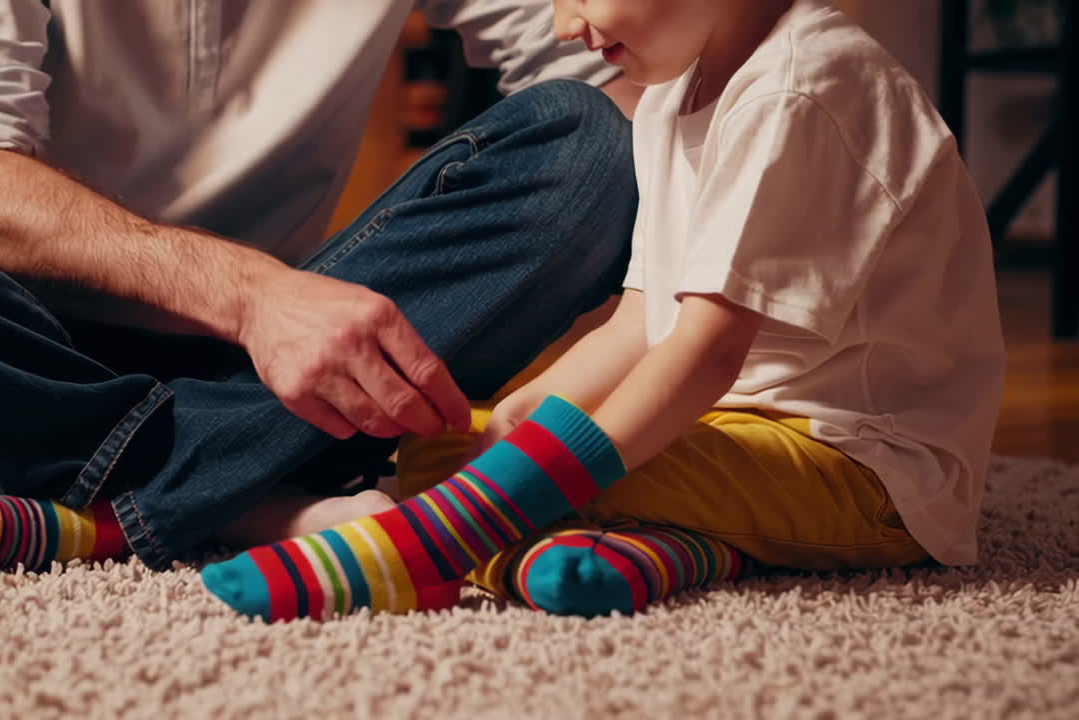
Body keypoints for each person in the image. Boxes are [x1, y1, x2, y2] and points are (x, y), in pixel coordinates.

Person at [198, 0, 1006, 621]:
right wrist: (511, 422)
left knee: (482, 483)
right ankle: (667, 555)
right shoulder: (672, 97)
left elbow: (707, 351)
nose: (561, 21)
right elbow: (639, 322)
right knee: (446, 450)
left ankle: (429, 552)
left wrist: (502, 490)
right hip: (736, 426)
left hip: (867, 468)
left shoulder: (802, 86)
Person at [0, 1, 649, 590]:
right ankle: (231, 496)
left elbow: (607, 63)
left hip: (279, 378)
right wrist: (251, 295)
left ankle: (94, 503)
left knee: (594, 147)